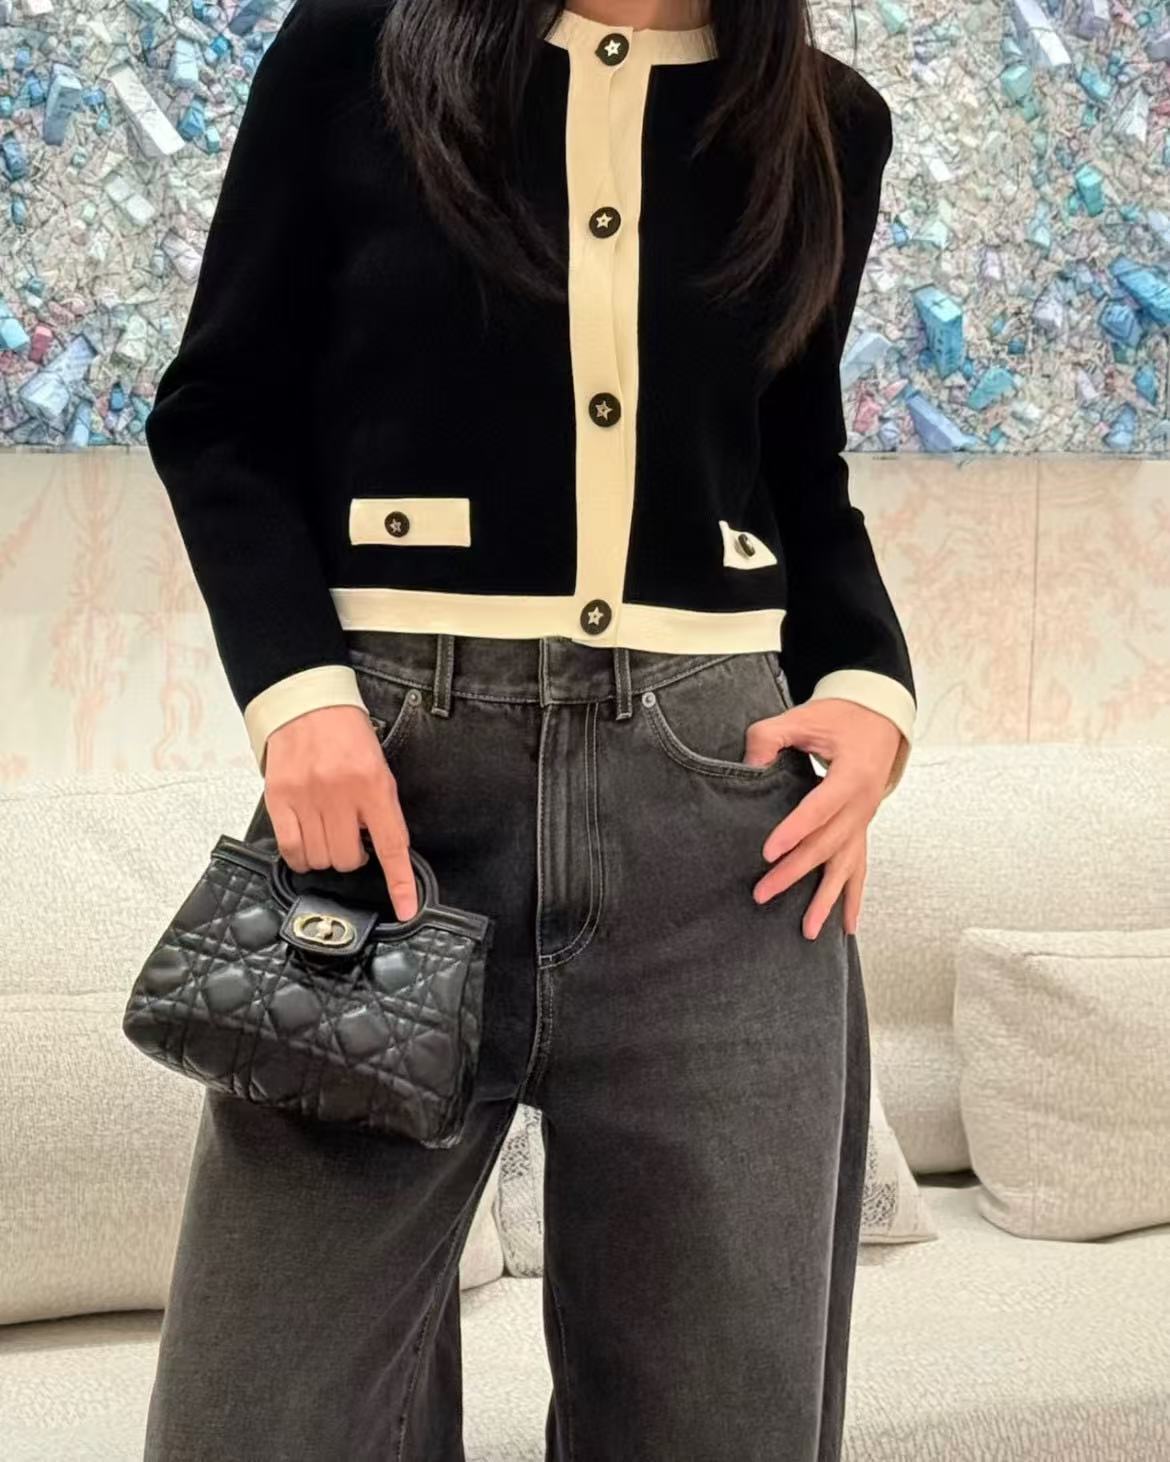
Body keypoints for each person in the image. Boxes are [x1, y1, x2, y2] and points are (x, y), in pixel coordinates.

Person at [140, 1, 916, 1458]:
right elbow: (219, 415)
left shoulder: (825, 125)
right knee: (258, 1419)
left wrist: (874, 695)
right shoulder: (358, 53)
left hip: (722, 836)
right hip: (395, 807)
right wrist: (300, 697)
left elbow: (796, 465)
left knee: (721, 1427)